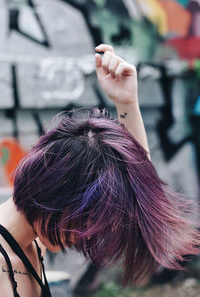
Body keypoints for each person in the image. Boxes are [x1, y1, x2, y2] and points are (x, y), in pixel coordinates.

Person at [0, 44, 200, 297]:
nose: (83, 235)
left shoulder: (28, 243)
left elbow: (135, 192)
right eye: (87, 218)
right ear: (59, 191)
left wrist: (127, 102)